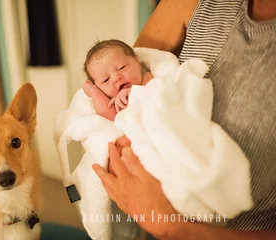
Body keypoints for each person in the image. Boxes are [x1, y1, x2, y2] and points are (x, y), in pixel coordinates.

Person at [93, 0, 276, 239]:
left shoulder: (153, 77)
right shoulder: (196, 4)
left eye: (120, 69)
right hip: (149, 214)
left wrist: (175, 229)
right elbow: (113, 116)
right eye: (105, 81)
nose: (115, 80)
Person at [82, 39, 153, 121]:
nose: (116, 78)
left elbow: (155, 91)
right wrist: (93, 90)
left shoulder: (148, 77)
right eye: (106, 80)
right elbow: (109, 117)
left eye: (121, 68)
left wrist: (134, 92)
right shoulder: (113, 103)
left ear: (137, 62)